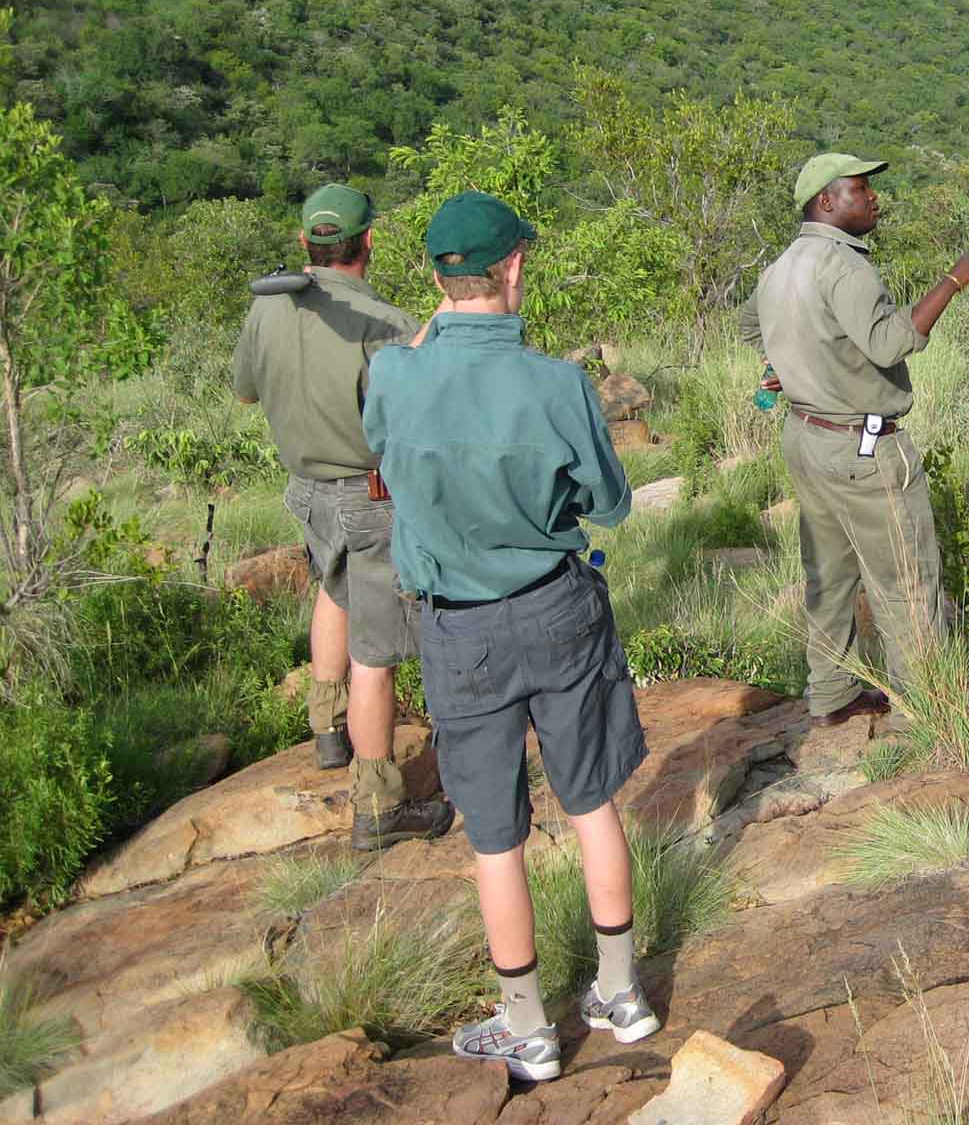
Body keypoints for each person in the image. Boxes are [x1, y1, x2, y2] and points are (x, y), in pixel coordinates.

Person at [363, 191, 658, 1082]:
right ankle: (621, 995)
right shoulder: (558, 383)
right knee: (591, 800)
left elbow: (385, 446)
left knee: (495, 832)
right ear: (516, 266)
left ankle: (527, 1025)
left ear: (436, 278)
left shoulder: (391, 375)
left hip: (459, 632)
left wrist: (437, 327)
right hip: (559, 608)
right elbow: (611, 503)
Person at [232, 182, 455, 851]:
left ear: (306, 243)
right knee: (378, 650)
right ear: (369, 243)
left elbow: (246, 394)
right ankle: (379, 804)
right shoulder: (382, 322)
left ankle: (328, 731)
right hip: (367, 496)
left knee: (333, 592)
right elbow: (410, 409)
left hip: (305, 488)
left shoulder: (266, 309)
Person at [740, 153, 969, 726]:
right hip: (862, 444)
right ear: (827, 202)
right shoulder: (846, 267)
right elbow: (888, 344)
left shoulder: (782, 266)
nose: (874, 198)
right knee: (906, 579)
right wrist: (955, 278)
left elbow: (751, 327)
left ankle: (830, 694)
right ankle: (927, 710)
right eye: (860, 190)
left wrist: (795, 363)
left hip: (806, 435)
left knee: (828, 574)